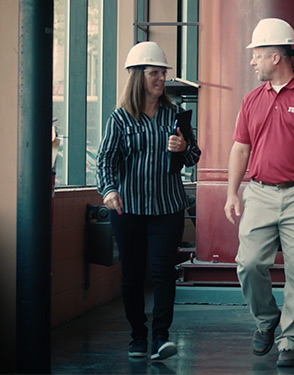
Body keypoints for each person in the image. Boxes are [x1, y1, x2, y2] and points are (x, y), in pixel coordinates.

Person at [224, 18, 294, 368]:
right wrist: (232, 192)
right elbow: (240, 149)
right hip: (260, 193)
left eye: (257, 55)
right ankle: (268, 321)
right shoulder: (251, 100)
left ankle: (290, 341)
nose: (252, 61)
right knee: (248, 264)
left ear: (276, 56)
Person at [97, 41, 201, 361]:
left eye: (163, 72)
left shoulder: (175, 116)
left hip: (167, 209)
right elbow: (105, 161)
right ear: (137, 77)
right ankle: (138, 337)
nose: (161, 78)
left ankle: (160, 338)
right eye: (154, 72)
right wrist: (109, 190)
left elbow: (195, 156)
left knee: (163, 273)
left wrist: (183, 147)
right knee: (131, 275)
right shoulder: (120, 119)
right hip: (127, 209)